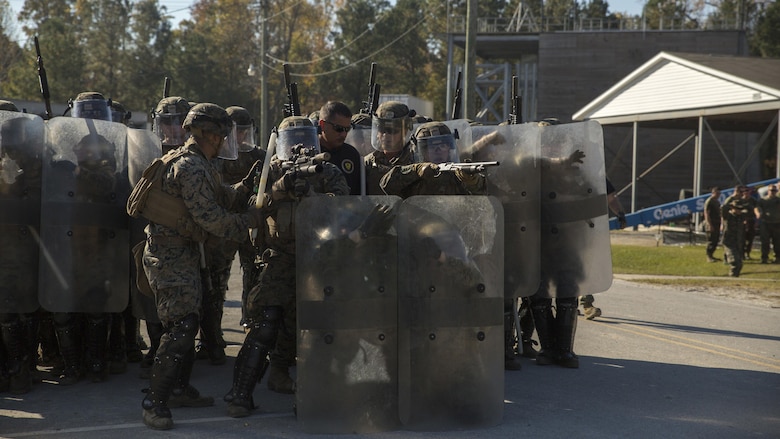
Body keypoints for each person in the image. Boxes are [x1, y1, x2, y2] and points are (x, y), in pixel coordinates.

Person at [138, 103, 265, 430]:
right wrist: (248, 222)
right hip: (170, 257)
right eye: (221, 136)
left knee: (188, 320)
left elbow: (220, 197)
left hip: (182, 254)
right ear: (207, 135)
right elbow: (211, 219)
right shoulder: (191, 168)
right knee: (182, 325)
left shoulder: (196, 163)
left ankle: (179, 388)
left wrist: (247, 186)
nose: (224, 142)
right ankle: (155, 401)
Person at [224, 116, 349, 418]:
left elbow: (345, 208)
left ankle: (310, 394)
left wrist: (314, 197)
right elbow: (245, 203)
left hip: (318, 258)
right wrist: (278, 189)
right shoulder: (267, 169)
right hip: (278, 255)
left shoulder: (326, 170)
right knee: (265, 323)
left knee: (315, 326)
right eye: (291, 140)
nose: (299, 146)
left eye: (304, 138)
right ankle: (240, 394)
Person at [195, 106, 266, 365]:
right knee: (215, 284)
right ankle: (211, 340)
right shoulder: (213, 157)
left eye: (244, 132)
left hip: (250, 226)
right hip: (222, 228)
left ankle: (253, 333)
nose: (239, 139)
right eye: (235, 133)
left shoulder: (259, 156)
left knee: (255, 280)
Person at [579, 178, 627, 320]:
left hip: (587, 227)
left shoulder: (593, 173)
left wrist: (620, 213)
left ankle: (585, 304)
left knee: (584, 265)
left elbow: (610, 197)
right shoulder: (560, 171)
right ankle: (566, 304)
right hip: (562, 226)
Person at [363, 101, 416, 195]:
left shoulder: (415, 161)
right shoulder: (367, 163)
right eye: (381, 129)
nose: (386, 135)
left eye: (392, 130)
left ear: (405, 131)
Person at [317, 101, 362, 195]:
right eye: (338, 128)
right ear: (322, 125)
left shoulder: (351, 155)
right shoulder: (310, 154)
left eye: (347, 129)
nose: (344, 134)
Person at [721, 195, 749, 277]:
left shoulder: (741, 216)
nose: (739, 210)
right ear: (732, 208)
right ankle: (732, 277)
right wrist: (731, 201)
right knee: (734, 261)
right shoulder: (728, 216)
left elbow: (750, 209)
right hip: (729, 242)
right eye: (737, 208)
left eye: (740, 209)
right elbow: (723, 208)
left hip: (738, 242)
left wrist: (744, 200)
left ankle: (733, 277)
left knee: (739, 263)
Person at [756, 183, 780, 264]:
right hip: (766, 223)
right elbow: (757, 207)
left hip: (777, 223)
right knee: (765, 242)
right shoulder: (763, 200)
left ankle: (777, 258)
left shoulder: (778, 200)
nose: (773, 192)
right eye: (771, 190)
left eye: (774, 190)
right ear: (768, 191)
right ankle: (764, 258)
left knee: (777, 242)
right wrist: (758, 213)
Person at [704, 186, 722, 263]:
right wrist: (709, 224)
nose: (719, 195)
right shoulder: (709, 201)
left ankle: (712, 255)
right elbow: (706, 213)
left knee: (715, 240)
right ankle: (708, 256)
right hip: (711, 223)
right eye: (717, 193)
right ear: (713, 193)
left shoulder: (717, 202)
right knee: (711, 240)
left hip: (717, 223)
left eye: (719, 194)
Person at [742, 186, 758, 260]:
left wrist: (756, 221)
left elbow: (756, 210)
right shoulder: (740, 200)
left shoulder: (753, 200)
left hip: (751, 221)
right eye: (744, 191)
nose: (746, 192)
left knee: (750, 239)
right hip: (741, 222)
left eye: (747, 191)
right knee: (742, 239)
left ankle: (747, 253)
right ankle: (741, 254)